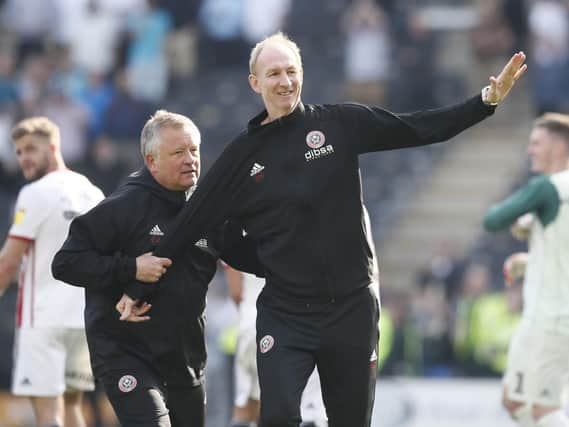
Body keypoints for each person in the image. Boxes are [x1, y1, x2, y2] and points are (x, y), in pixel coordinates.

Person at [121, 33, 527, 426]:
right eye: (274, 73)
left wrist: (485, 102)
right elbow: (193, 222)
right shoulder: (242, 155)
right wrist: (140, 287)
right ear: (254, 82)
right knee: (278, 417)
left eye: (291, 71)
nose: (285, 81)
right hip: (286, 312)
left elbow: (417, 128)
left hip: (351, 309)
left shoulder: (338, 123)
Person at [51, 110, 263, 427]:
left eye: (193, 150)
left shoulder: (208, 208)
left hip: (185, 358)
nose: (190, 159)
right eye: (178, 152)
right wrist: (130, 267)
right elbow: (66, 263)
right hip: (126, 353)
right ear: (152, 161)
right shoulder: (124, 206)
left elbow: (249, 257)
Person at [0, 117, 104, 427]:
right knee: (74, 409)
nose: (24, 158)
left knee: (48, 416)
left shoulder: (34, 193)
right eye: (18, 152)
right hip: (82, 320)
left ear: (54, 146)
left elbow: (8, 262)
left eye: (31, 149)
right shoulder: (93, 193)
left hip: (41, 320)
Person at [483, 113, 569, 427]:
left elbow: (493, 220)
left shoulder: (546, 189)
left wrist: (523, 220)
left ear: (559, 147)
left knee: (535, 409)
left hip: (548, 322)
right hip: (557, 320)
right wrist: (529, 261)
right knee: (519, 402)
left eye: (536, 143)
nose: (530, 150)